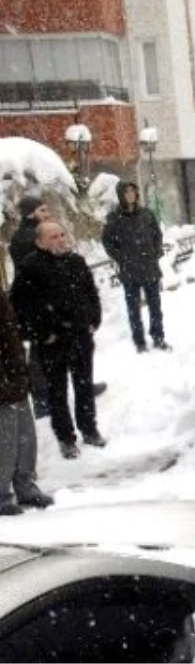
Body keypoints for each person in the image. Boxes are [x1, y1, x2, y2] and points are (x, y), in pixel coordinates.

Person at [10, 222, 105, 460]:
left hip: (80, 335)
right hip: (52, 342)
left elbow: (91, 293)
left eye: (62, 235)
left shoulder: (76, 262)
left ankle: (89, 429)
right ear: (40, 242)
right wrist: (41, 334)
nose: (61, 240)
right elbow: (20, 308)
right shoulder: (30, 268)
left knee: (84, 385)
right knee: (57, 392)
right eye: (54, 237)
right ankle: (66, 438)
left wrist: (94, 319)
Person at [0, 290, 53, 515]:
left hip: (14, 369)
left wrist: (20, 367)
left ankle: (25, 485)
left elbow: (9, 330)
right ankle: (2, 494)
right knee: (5, 439)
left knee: (25, 435)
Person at [102, 182, 169, 353]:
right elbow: (107, 242)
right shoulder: (114, 219)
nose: (131, 194)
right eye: (127, 192)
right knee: (134, 310)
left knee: (155, 307)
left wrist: (155, 252)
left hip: (150, 268)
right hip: (130, 272)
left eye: (133, 191)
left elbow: (157, 235)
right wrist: (122, 258)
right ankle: (139, 342)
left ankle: (158, 337)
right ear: (120, 195)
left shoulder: (147, 214)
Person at [9, 196, 54, 418]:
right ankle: (42, 401)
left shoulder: (30, 234)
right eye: (42, 210)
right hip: (36, 303)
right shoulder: (27, 237)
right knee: (40, 351)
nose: (47, 214)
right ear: (30, 213)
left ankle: (48, 396)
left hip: (39, 301)